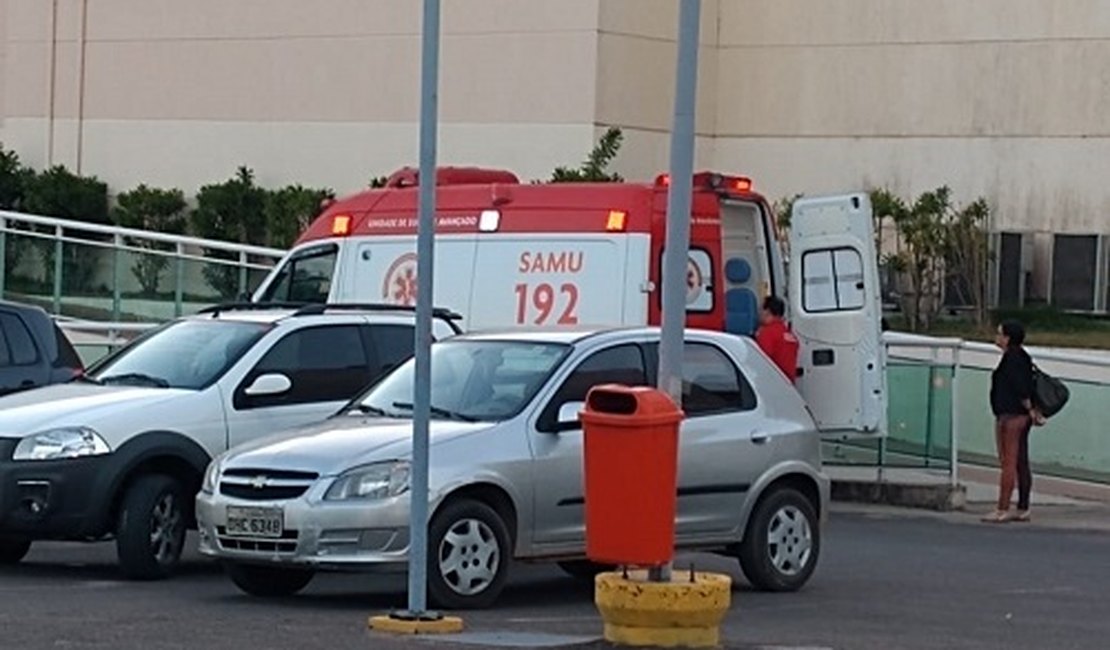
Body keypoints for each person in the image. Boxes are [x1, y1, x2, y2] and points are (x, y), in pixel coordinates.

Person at [983, 320, 1043, 523]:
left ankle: (1002, 508)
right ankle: (1022, 506)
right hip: (1020, 416)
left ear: (1007, 338)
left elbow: (1020, 388)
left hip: (1011, 415)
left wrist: (1029, 408)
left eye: (1000, 334)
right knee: (1020, 461)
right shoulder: (1022, 357)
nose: (997, 337)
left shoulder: (1012, 359)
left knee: (1008, 461)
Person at [755, 295, 799, 383]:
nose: (758, 312)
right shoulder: (788, 334)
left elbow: (762, 361)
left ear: (767, 311)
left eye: (760, 309)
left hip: (772, 382)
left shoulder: (767, 334)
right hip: (788, 384)